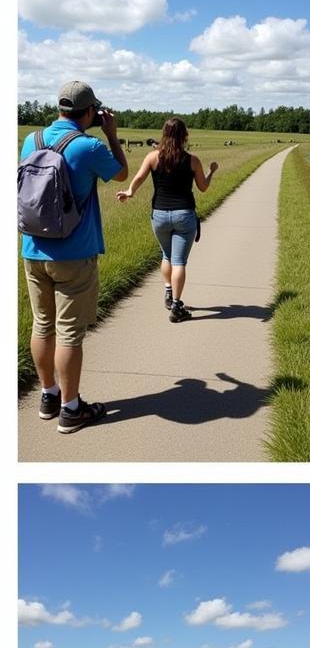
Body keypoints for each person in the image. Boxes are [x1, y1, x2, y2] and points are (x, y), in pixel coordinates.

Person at [20, 80, 128, 433]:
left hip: (33, 250)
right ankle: (71, 408)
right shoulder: (88, 146)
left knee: (42, 325)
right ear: (91, 112)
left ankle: (49, 395)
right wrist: (111, 133)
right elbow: (121, 173)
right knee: (70, 333)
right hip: (74, 254)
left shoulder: (31, 140)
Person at [116, 117, 218, 323]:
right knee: (179, 262)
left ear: (164, 135)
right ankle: (177, 306)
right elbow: (203, 187)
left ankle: (169, 291)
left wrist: (129, 192)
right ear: (185, 136)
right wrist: (211, 171)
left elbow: (139, 178)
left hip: (160, 214)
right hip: (184, 215)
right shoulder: (192, 160)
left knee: (166, 255)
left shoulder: (153, 157)